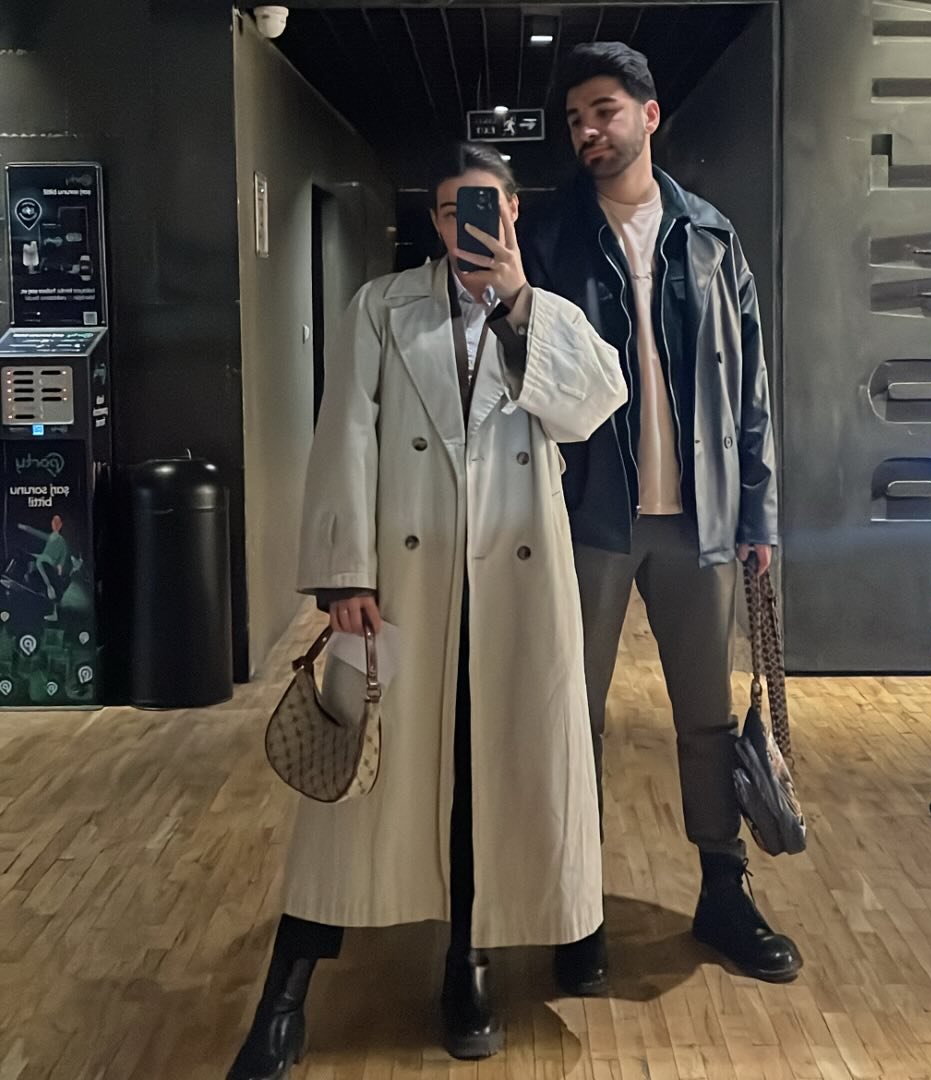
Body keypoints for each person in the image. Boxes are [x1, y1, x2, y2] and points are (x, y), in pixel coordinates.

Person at [226, 142, 626, 1079]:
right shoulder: (381, 305)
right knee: (357, 781)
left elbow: (591, 407)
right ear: (434, 221)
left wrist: (519, 302)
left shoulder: (550, 313)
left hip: (516, 590)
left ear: (512, 210)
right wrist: (344, 573)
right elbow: (345, 434)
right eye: (450, 210)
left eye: (482, 205)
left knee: (491, 772)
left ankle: (467, 965)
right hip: (401, 588)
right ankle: (285, 994)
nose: (465, 224)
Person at [519, 43, 803, 994]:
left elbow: (751, 385)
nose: (588, 131)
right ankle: (575, 905)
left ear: (648, 115)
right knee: (575, 717)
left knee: (706, 718)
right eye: (575, 119)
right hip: (587, 513)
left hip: (701, 519)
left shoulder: (711, 237)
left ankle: (725, 889)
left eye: (603, 110)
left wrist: (759, 509)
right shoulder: (550, 237)